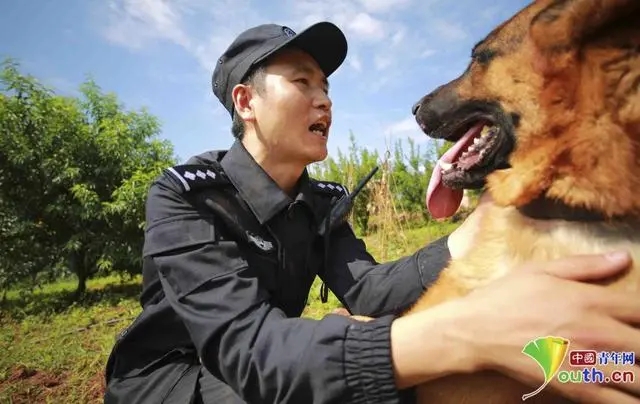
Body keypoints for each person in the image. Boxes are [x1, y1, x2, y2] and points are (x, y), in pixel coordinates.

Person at [103, 21, 640, 404]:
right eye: (302, 82)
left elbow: (368, 290)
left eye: (327, 86)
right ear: (246, 103)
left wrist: (470, 236)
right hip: (173, 381)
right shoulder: (187, 195)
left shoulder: (319, 202)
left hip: (263, 365)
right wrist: (471, 331)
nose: (325, 100)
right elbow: (250, 349)